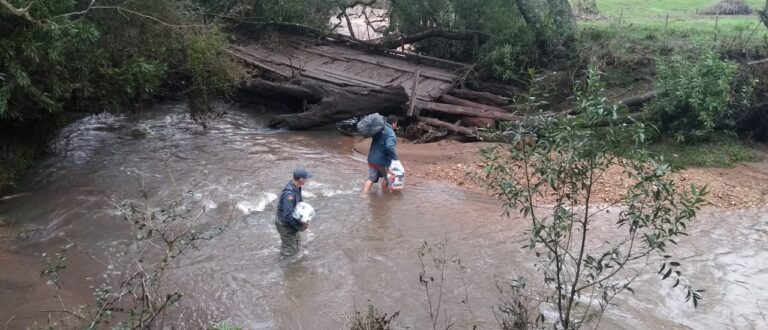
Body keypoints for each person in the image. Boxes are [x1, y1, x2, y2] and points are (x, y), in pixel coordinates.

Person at [275, 166, 312, 258]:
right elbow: (287, 216)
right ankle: (286, 266)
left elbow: (300, 204)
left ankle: (287, 250)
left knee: (298, 244)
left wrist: (305, 217)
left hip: (291, 221)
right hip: (284, 224)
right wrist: (299, 225)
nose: (307, 180)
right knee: (290, 253)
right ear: (301, 179)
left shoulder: (297, 187)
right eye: (306, 178)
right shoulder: (289, 194)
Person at [363, 115, 399, 194]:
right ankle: (383, 196)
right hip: (383, 162)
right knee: (387, 178)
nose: (396, 126)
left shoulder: (379, 128)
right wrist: (395, 158)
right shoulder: (391, 133)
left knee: (371, 179)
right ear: (393, 123)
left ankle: (363, 194)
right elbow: (390, 147)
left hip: (371, 159)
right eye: (396, 124)